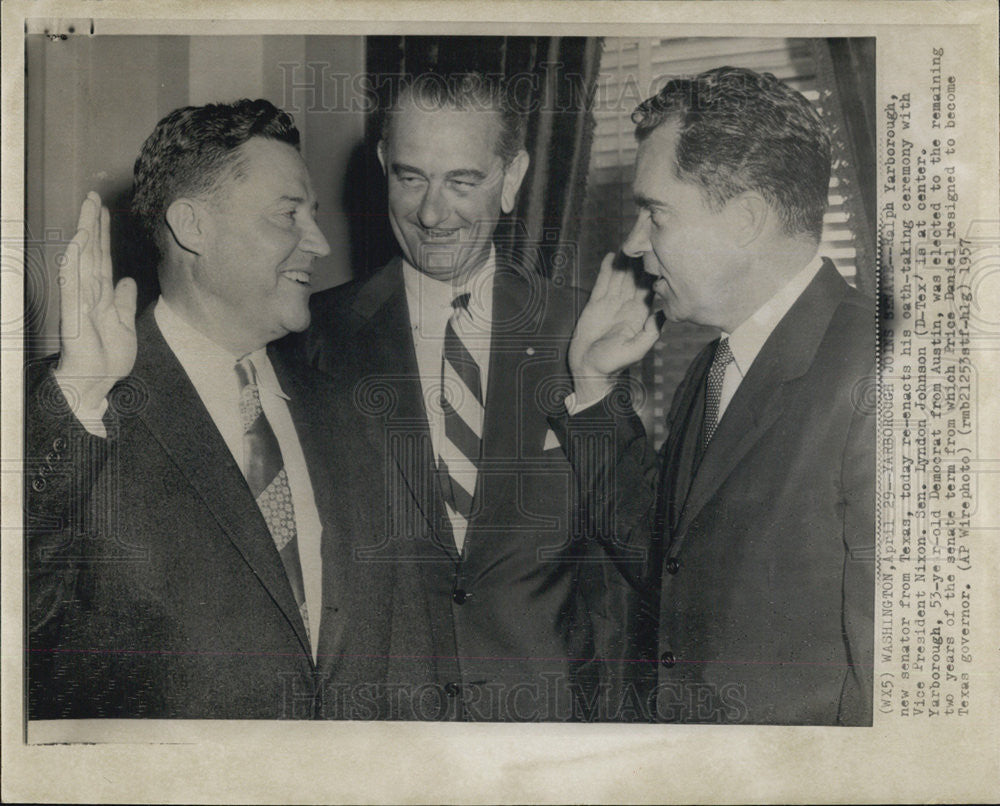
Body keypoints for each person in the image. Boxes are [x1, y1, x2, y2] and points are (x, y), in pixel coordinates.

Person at [25, 99, 443, 720]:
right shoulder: (75, 407)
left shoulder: (353, 414)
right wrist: (80, 396)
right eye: (287, 216)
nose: (320, 243)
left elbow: (412, 662)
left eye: (314, 215)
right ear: (193, 227)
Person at [282, 73, 638, 721]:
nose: (430, 213)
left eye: (462, 181)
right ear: (384, 166)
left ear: (513, 177)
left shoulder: (583, 333)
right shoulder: (310, 339)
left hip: (544, 730)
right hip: (383, 735)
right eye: (410, 177)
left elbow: (624, 559)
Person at [562, 66, 876, 724]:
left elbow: (893, 701)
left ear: (747, 220)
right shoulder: (713, 368)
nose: (632, 245)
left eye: (656, 214)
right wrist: (593, 386)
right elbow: (669, 563)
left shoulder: (879, 374)